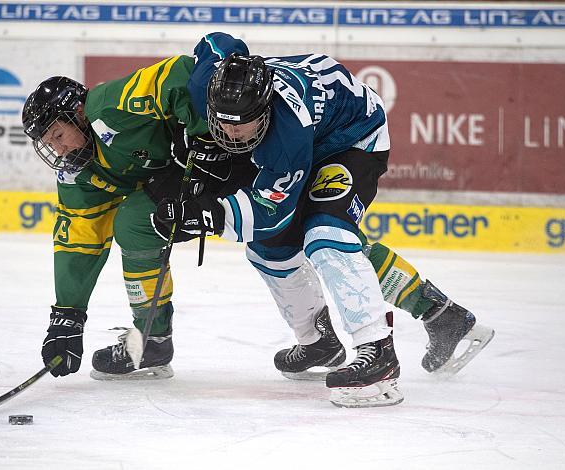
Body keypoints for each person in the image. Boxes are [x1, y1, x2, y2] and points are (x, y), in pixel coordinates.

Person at [154, 32, 494, 407]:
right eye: (225, 122)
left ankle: (377, 352)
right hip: (314, 134)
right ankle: (321, 341)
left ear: (265, 109)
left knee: (326, 234)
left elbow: (270, 213)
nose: (232, 133)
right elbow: (217, 43)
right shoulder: (209, 83)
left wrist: (208, 216)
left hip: (353, 140)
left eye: (244, 124)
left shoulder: (286, 131)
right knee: (268, 250)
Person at [20, 58, 236, 381]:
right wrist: (68, 315)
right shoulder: (78, 173)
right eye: (50, 144)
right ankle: (154, 340)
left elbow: (179, 73)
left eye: (59, 135)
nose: (60, 150)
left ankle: (154, 339)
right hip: (177, 181)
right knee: (135, 222)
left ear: (78, 113)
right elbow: (79, 236)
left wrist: (201, 135)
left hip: (222, 151)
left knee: (134, 222)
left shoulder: (110, 105)